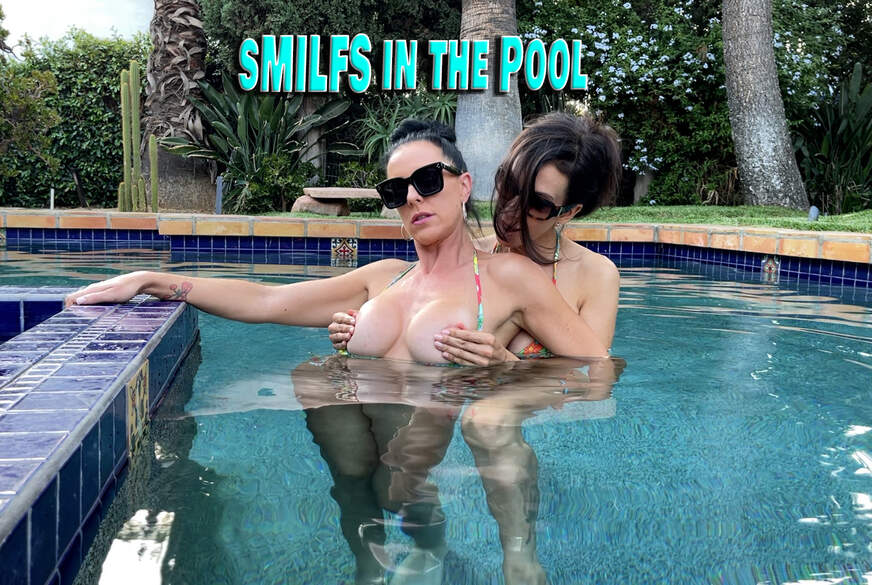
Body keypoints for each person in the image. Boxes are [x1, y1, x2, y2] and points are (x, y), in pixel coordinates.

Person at [66, 119, 608, 362]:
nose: (413, 198)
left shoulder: (522, 276)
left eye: (427, 181)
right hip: (357, 440)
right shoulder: (388, 276)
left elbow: (595, 371)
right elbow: (268, 300)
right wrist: (155, 279)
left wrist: (507, 371)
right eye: (396, 190)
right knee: (312, 378)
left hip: (451, 444)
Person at [329, 112, 622, 365]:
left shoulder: (595, 274)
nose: (511, 207)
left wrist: (507, 364)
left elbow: (596, 377)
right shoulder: (469, 258)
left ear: (568, 212)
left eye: (537, 203)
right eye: (508, 183)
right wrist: (360, 326)